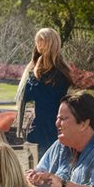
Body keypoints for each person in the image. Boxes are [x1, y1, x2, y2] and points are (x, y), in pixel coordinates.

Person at [15, 28, 74, 166]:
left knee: (40, 173)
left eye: (40, 42)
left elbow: (27, 95)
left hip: (43, 130)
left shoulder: (39, 74)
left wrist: (33, 66)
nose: (38, 46)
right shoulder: (63, 71)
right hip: (59, 128)